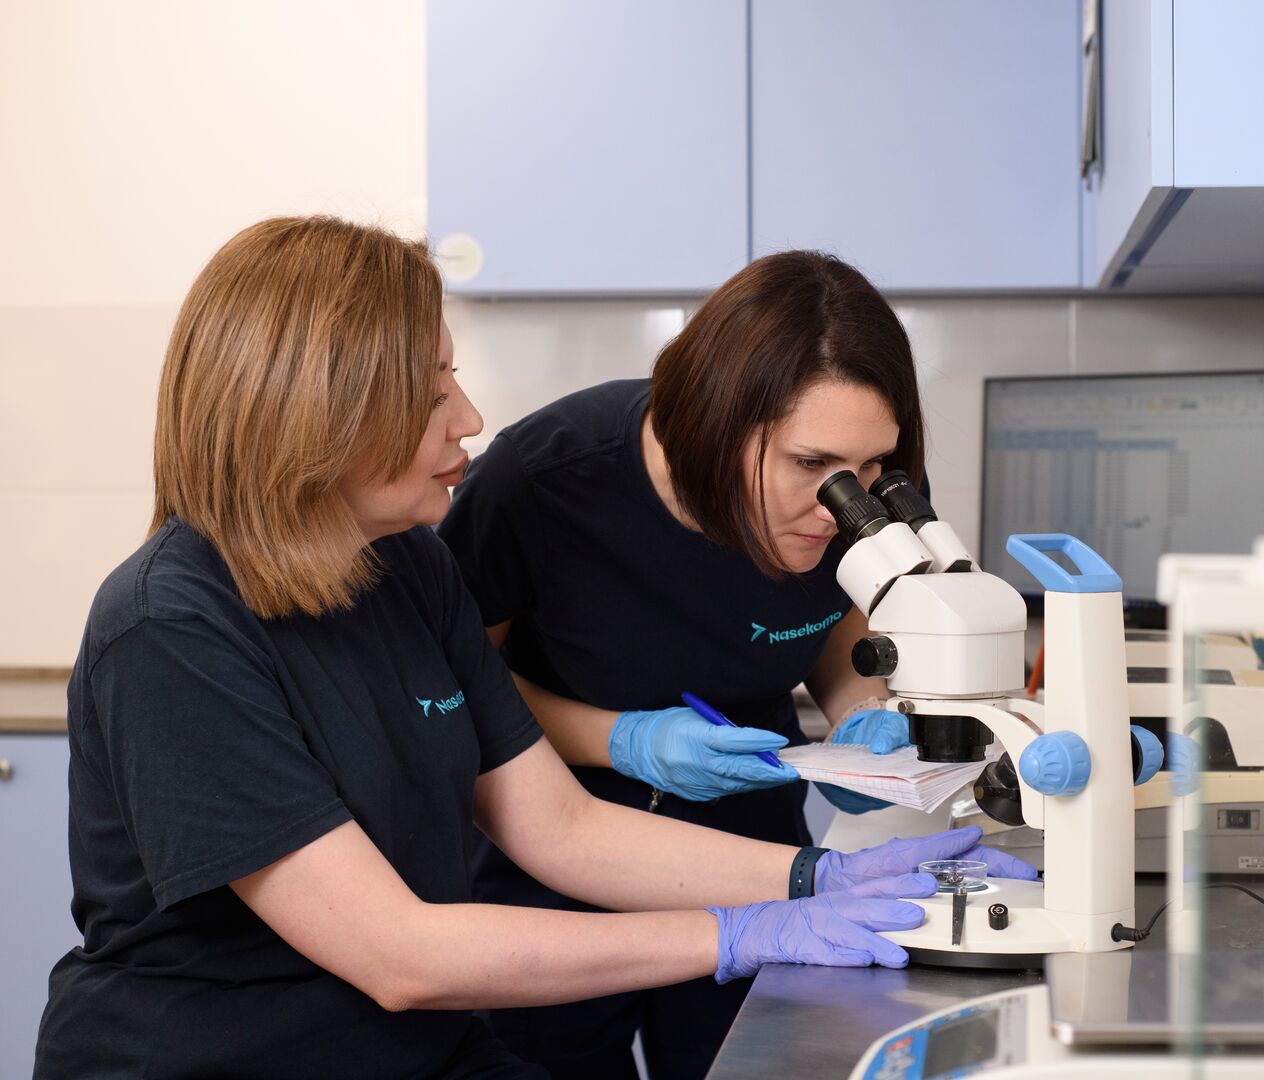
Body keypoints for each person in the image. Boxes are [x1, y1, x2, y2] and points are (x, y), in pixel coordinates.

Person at [31, 218, 1033, 1080]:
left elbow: (562, 831)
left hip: (416, 1051)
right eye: (432, 393)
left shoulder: (406, 573)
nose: (468, 418)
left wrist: (812, 881)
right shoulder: (172, 631)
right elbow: (399, 953)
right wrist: (741, 932)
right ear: (318, 415)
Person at [436, 250, 1034, 1078]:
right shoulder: (543, 481)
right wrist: (620, 740)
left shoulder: (862, 473)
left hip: (747, 828)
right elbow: (453, 683)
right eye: (810, 466)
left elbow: (838, 622)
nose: (842, 499)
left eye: (868, 470)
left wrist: (860, 715)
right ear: (716, 421)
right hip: (552, 838)